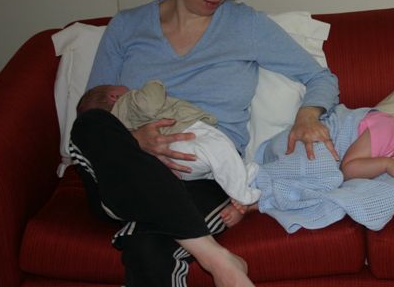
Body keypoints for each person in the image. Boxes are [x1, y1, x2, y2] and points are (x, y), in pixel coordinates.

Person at [69, 0, 339, 287]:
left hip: (203, 174)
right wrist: (134, 140)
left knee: (149, 247)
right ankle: (218, 260)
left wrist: (308, 115)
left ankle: (181, 235)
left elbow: (320, 78)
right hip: (125, 169)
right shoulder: (127, 27)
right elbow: (95, 108)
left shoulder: (246, 26)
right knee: (90, 125)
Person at [222, 84, 394, 230]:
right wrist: (386, 164)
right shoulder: (388, 127)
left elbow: (368, 182)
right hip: (309, 144)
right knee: (326, 176)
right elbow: (349, 169)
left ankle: (260, 202)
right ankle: (252, 188)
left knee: (373, 190)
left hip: (330, 169)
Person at [77, 80, 261, 205]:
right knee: (219, 148)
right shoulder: (128, 101)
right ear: (113, 97)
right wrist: (154, 84)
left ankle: (240, 175)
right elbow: (149, 105)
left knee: (211, 163)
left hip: (172, 163)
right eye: (116, 86)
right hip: (182, 134)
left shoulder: (117, 130)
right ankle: (242, 193)